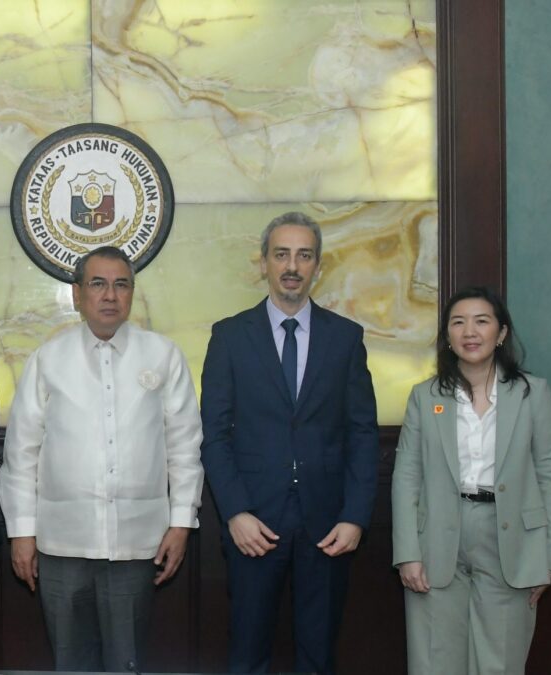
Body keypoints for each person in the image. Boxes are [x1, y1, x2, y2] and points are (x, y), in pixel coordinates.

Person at [0, 246, 204, 673]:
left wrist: (182, 523)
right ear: (77, 295)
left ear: (131, 293)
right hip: (60, 544)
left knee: (126, 662)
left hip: (136, 543)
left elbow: (184, 446)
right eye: (97, 284)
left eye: (121, 284)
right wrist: (21, 533)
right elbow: (21, 453)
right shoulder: (48, 359)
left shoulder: (162, 356)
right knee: (70, 662)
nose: (109, 295)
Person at [200, 212, 379, 674]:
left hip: (327, 527)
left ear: (318, 265)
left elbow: (362, 434)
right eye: (281, 254)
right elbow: (215, 435)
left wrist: (355, 517)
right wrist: (236, 512)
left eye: (304, 255)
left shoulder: (346, 338)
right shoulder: (229, 337)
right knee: (247, 652)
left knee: (319, 655)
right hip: (254, 526)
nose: (292, 266)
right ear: (263, 263)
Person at [391, 286, 551, 674]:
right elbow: (407, 476)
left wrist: (546, 558)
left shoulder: (532, 394)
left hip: (511, 540)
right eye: (458, 323)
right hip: (437, 538)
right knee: (436, 659)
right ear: (448, 337)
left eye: (481, 321)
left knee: (499, 661)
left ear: (501, 333)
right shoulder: (426, 397)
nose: (470, 331)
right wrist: (408, 553)